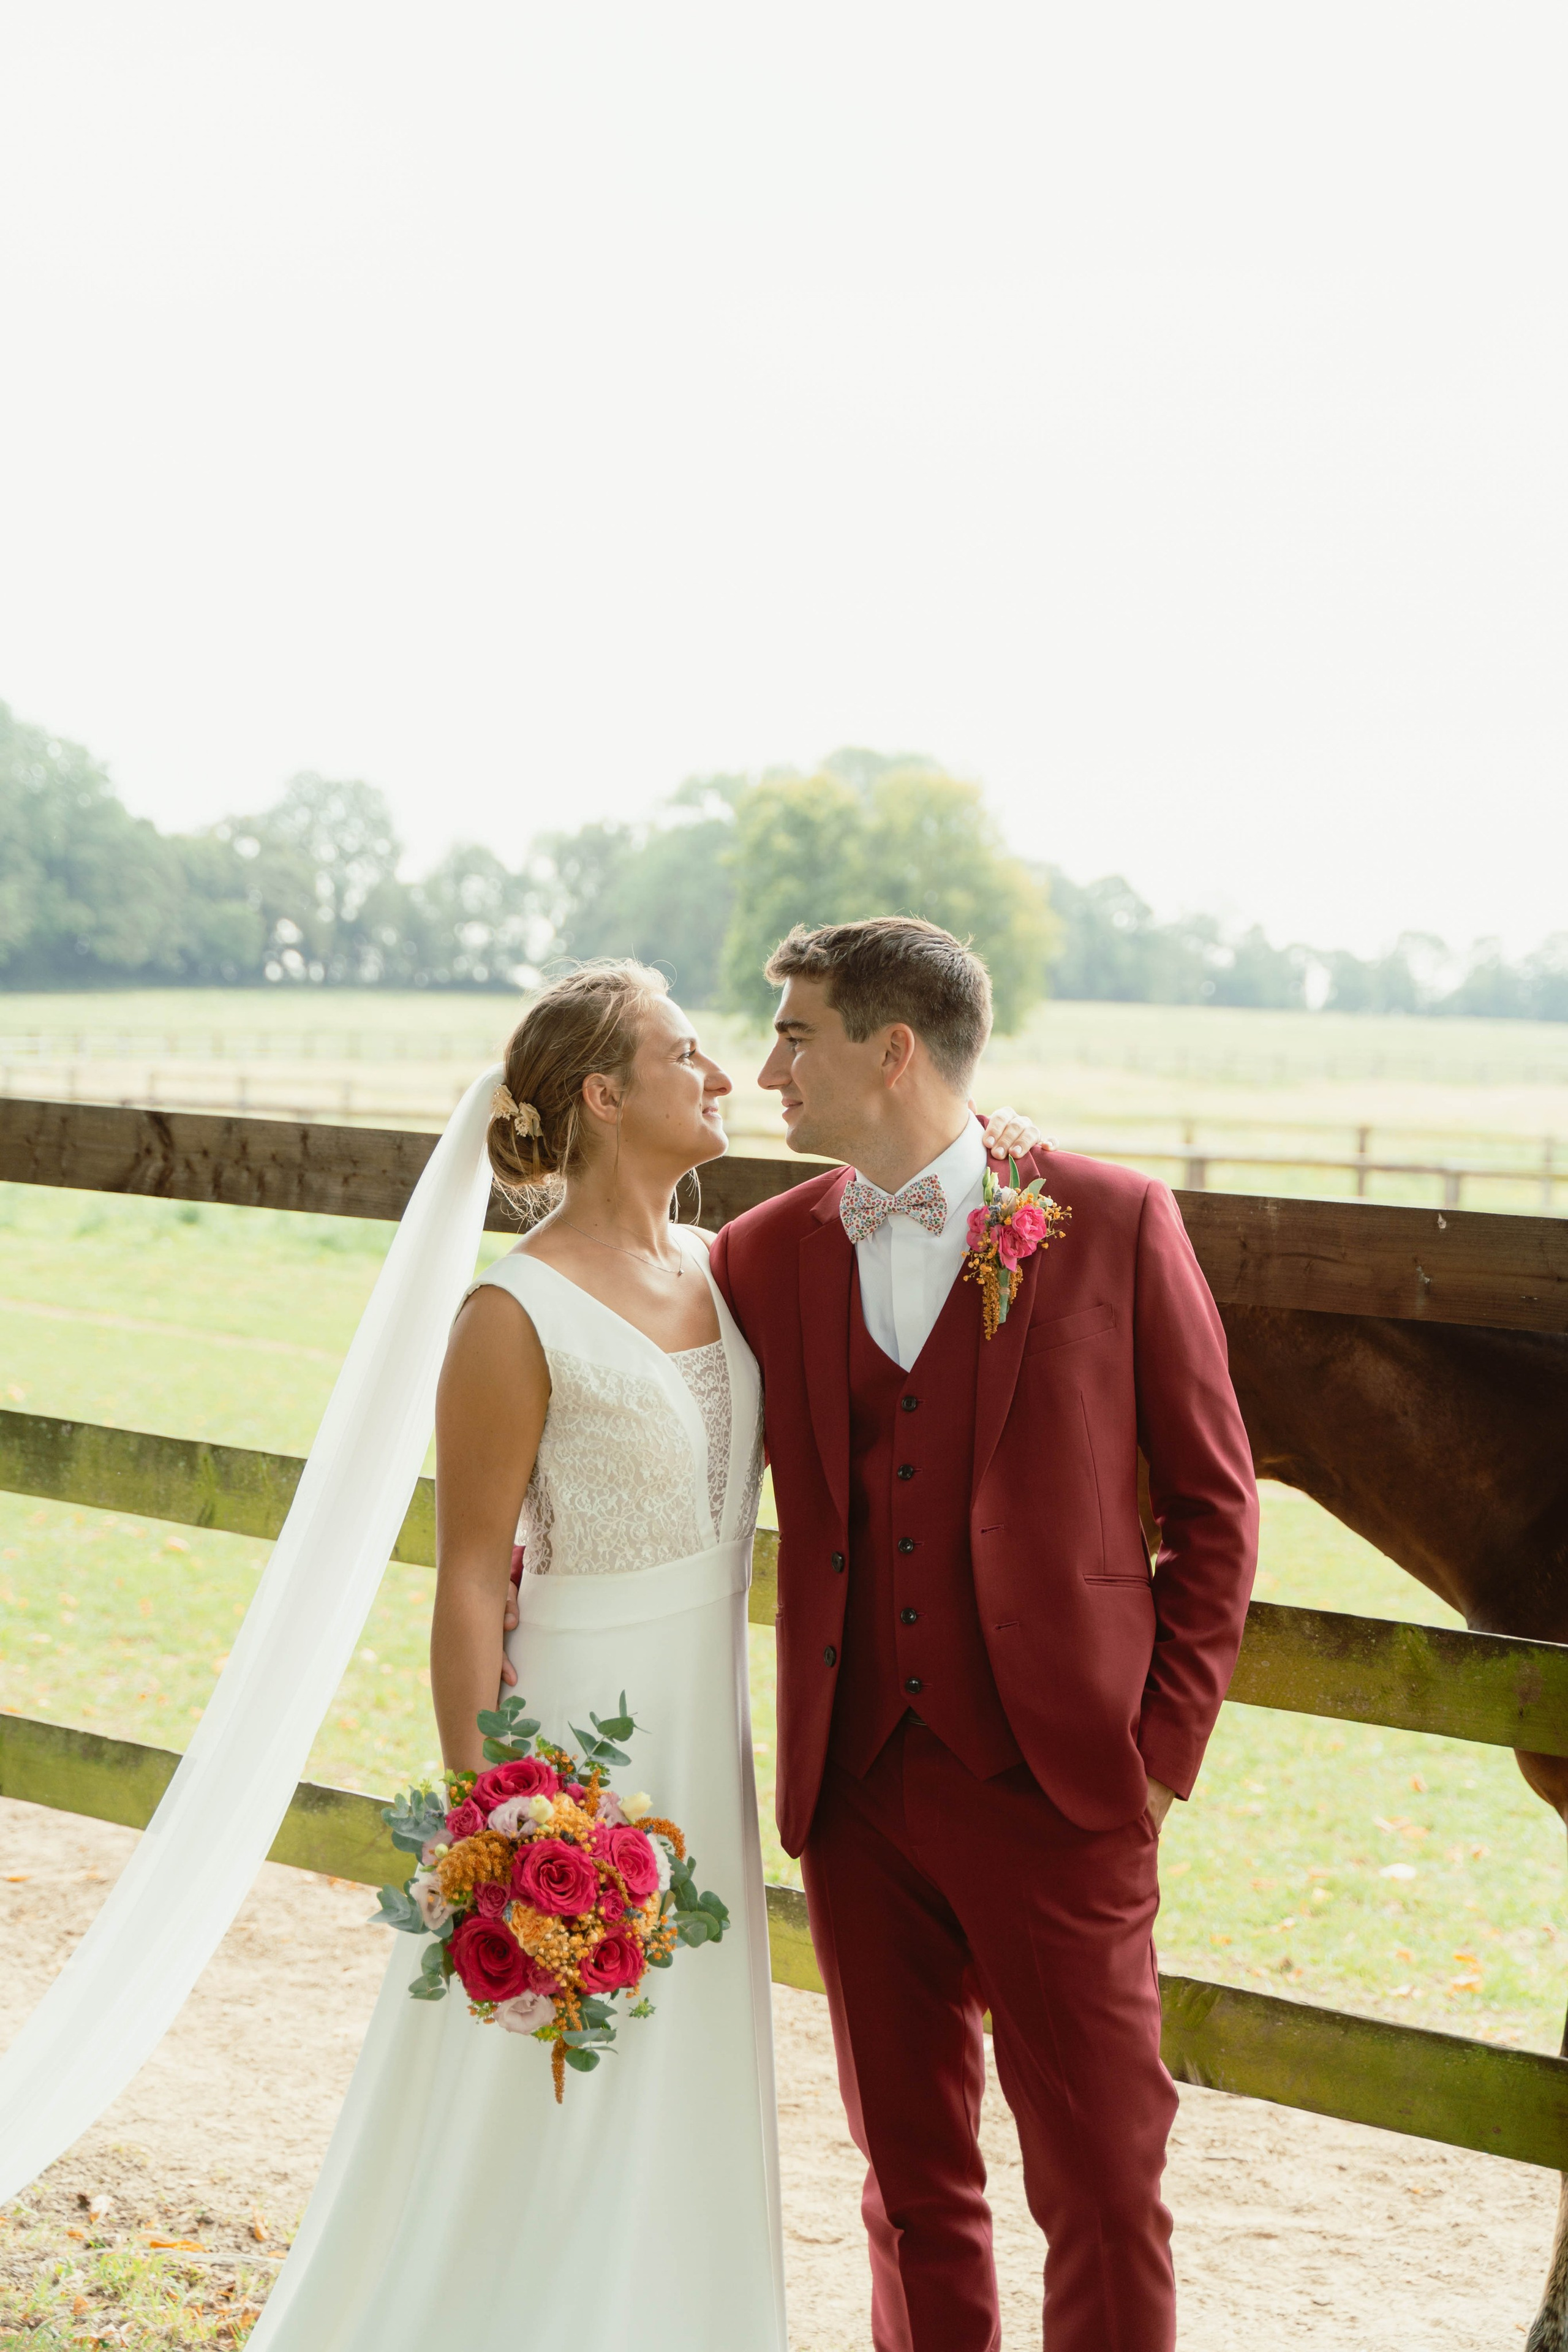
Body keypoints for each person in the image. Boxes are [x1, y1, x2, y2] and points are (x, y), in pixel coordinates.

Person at [252, 958, 1042, 2351]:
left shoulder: (722, 1269)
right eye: (688, 1055)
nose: (726, 1075)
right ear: (606, 1096)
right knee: (541, 2078)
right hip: (574, 1755)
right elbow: (467, 1585)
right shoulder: (511, 1315)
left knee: (677, 2065)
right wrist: (495, 1826)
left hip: (705, 1736)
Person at [708, 917, 1259, 2352]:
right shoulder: (762, 1256)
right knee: (906, 2182)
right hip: (856, 1788)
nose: (766, 1068)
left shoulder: (1114, 1219)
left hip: (1060, 1781)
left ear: (890, 1051)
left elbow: (1214, 1508)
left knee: (1099, 2179)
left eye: (795, 1034)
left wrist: (1157, 1755)